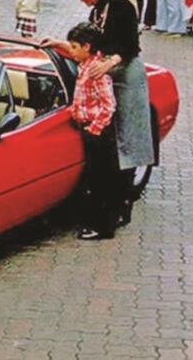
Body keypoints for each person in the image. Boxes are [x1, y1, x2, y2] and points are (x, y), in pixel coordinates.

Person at [45, 0, 154, 228]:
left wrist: (109, 63)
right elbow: (89, 45)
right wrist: (62, 44)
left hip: (125, 74)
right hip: (105, 74)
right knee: (112, 139)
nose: (82, 0)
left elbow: (130, 44)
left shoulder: (121, 7)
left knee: (127, 137)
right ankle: (115, 203)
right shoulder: (96, 12)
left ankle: (123, 206)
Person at [67, 21, 122, 240]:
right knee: (95, 178)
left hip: (97, 133)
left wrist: (94, 129)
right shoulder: (84, 67)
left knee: (100, 180)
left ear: (86, 47)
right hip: (89, 127)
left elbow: (109, 104)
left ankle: (103, 227)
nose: (71, 51)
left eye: (73, 47)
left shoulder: (96, 71)